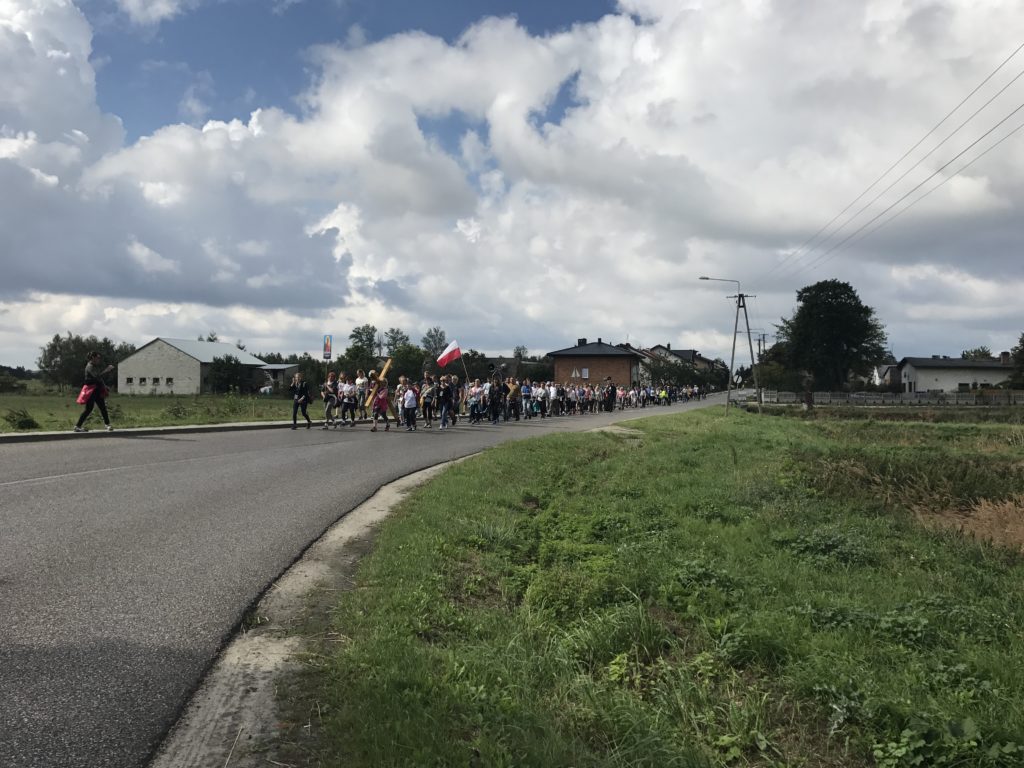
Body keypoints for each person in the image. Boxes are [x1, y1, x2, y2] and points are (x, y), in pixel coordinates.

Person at [74, 352, 115, 432]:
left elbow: (99, 379)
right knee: (89, 409)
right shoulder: (89, 366)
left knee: (103, 407)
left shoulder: (94, 366)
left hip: (97, 390)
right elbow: (97, 376)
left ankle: (107, 425)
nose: (99, 359)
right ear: (93, 357)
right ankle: (77, 426)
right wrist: (107, 370)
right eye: (97, 358)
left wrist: (104, 386)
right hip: (91, 391)